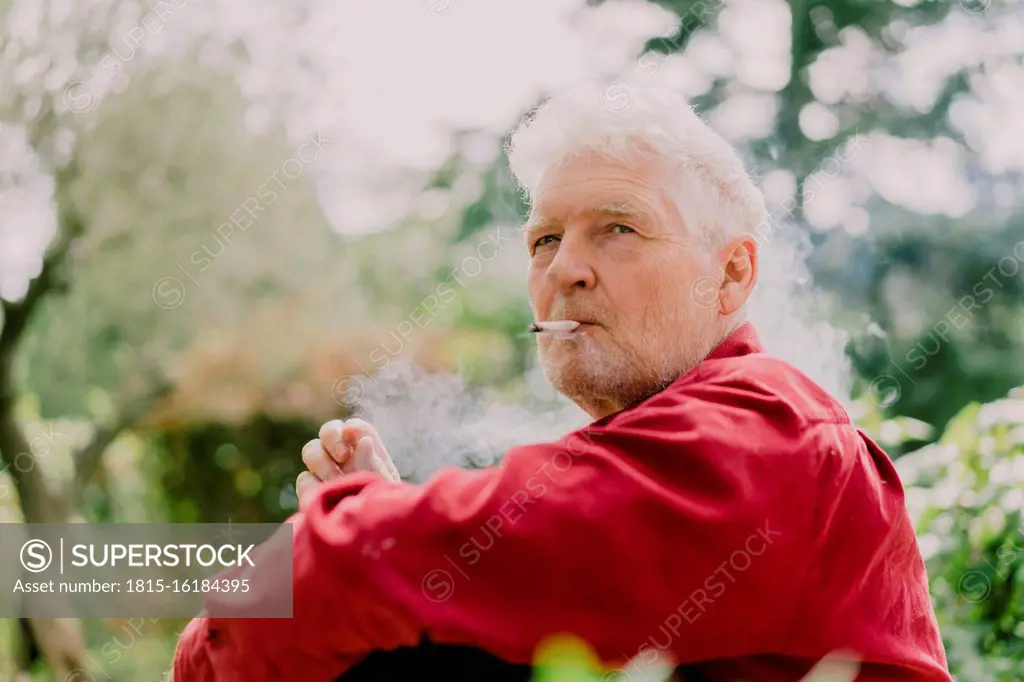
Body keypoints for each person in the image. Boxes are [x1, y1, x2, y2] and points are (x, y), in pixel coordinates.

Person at [171, 83, 953, 681]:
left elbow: (327, 577)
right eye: (543, 239)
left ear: (732, 272)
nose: (564, 271)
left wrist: (370, 527)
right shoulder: (655, 448)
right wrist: (401, 540)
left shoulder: (770, 432)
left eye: (619, 228)